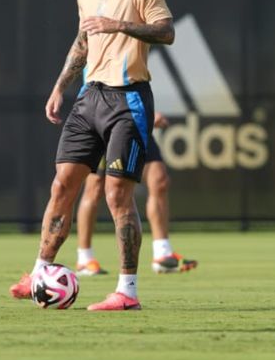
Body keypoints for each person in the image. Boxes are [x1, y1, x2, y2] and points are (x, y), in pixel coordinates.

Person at [10, 0, 174, 311]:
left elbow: (166, 31)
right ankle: (39, 270)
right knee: (62, 186)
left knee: (117, 196)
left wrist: (120, 24)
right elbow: (83, 43)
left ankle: (128, 291)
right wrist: (59, 86)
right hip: (89, 99)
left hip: (128, 99)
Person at [73, 114, 197, 276]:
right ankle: (84, 258)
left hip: (137, 123)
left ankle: (162, 254)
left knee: (160, 180)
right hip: (106, 120)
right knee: (95, 188)